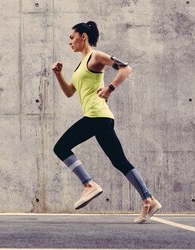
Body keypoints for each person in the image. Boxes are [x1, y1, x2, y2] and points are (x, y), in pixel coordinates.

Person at [51, 21, 162, 224]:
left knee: (61, 147)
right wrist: (58, 75)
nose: (70, 42)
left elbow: (126, 69)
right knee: (119, 161)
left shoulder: (96, 56)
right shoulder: (81, 64)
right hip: (99, 118)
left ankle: (89, 184)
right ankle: (148, 199)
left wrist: (110, 88)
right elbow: (69, 93)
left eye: (71, 37)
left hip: (97, 116)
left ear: (83, 36)